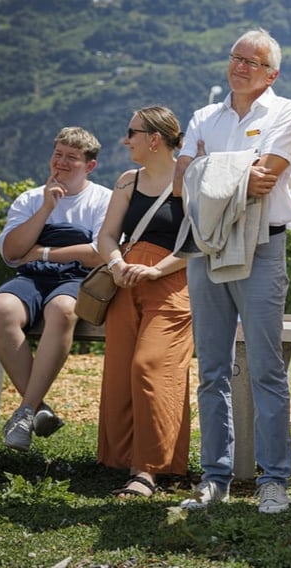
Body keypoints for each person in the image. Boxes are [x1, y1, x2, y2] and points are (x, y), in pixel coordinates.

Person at [173, 28, 291, 514]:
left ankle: (274, 479)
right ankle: (215, 478)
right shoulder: (203, 115)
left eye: (253, 62)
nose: (241, 67)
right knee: (211, 369)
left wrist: (208, 169)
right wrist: (232, 171)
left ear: (272, 73)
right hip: (206, 247)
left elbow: (264, 178)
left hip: (262, 246)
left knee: (266, 368)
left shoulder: (288, 113)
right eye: (236, 58)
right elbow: (180, 181)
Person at [0, 127, 111, 450]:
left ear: (90, 166)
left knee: (64, 310)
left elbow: (98, 254)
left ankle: (26, 410)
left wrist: (41, 251)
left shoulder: (102, 199)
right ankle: (35, 409)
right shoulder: (30, 199)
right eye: (58, 155)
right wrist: (45, 209)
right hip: (32, 278)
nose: (62, 163)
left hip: (77, 279)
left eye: (72, 158)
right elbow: (12, 252)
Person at [96, 107, 191, 498]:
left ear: (154, 138)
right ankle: (122, 459)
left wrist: (157, 271)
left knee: (152, 365)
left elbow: (196, 242)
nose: (125, 139)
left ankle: (147, 469)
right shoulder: (127, 180)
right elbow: (106, 236)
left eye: (131, 132)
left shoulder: (188, 179)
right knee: (120, 372)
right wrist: (117, 263)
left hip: (170, 282)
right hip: (125, 281)